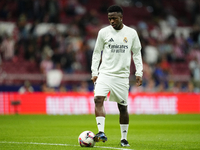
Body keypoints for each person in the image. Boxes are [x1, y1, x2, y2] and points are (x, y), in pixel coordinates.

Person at [91, 5, 143, 147]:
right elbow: (97, 52)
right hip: (105, 73)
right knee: (98, 99)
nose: (111, 21)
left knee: (123, 107)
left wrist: (139, 72)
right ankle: (101, 132)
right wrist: (94, 72)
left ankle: (124, 138)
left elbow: (137, 53)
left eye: (114, 18)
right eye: (109, 19)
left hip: (121, 76)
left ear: (121, 17)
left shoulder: (131, 33)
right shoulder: (103, 32)